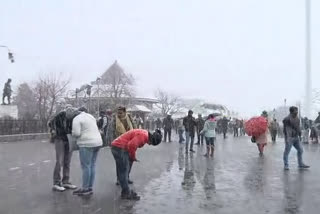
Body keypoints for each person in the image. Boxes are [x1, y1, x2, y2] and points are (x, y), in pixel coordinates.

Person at [111, 129, 162, 200]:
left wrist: (132, 157)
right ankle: (126, 193)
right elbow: (132, 145)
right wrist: (133, 157)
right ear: (152, 140)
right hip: (119, 147)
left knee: (122, 166)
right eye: (151, 143)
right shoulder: (143, 136)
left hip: (117, 146)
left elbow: (132, 145)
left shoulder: (145, 134)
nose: (149, 144)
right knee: (123, 169)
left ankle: (122, 180)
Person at [71, 109, 102, 196]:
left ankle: (85, 188)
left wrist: (72, 133)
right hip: (98, 142)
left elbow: (76, 133)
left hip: (86, 144)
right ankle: (89, 187)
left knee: (86, 166)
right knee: (92, 165)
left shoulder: (77, 118)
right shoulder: (90, 116)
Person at [48, 107, 78, 192]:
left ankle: (66, 181)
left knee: (67, 161)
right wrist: (56, 131)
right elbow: (50, 123)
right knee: (60, 161)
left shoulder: (74, 117)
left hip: (68, 138)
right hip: (60, 139)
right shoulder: (60, 115)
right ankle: (56, 183)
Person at [107, 106, 136, 185]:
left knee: (129, 161)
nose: (119, 114)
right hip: (118, 145)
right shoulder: (114, 120)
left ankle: (126, 177)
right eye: (118, 112)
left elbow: (135, 129)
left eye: (120, 113)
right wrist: (111, 143)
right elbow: (109, 132)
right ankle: (119, 179)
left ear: (125, 112)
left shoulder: (130, 119)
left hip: (130, 144)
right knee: (120, 163)